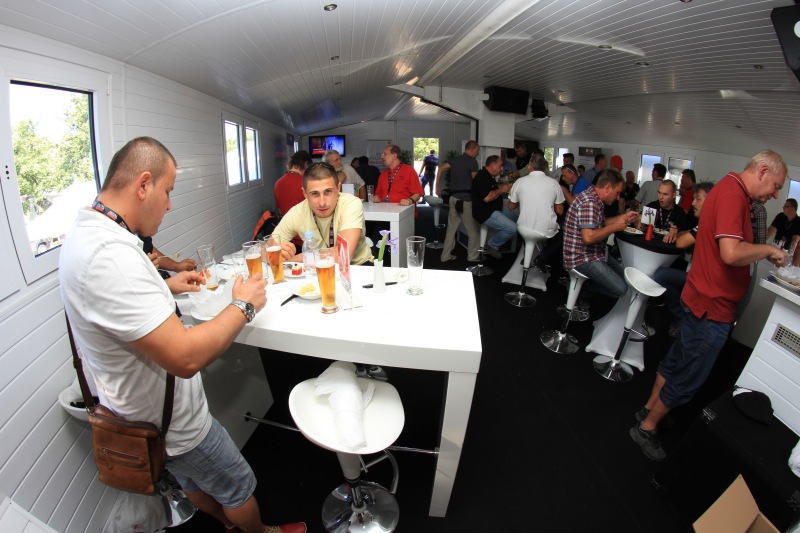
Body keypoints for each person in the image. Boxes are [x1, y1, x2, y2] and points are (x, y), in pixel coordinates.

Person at [59, 137, 305, 533]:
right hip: (174, 424)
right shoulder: (110, 255)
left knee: (191, 484)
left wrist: (164, 286)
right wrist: (243, 305)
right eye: (168, 191)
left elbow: (118, 308)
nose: (170, 204)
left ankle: (228, 526)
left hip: (142, 413)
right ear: (143, 184)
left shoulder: (90, 234)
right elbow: (185, 357)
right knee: (239, 486)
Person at [631, 150, 788, 462]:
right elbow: (731, 253)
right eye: (776, 186)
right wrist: (767, 251)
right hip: (711, 308)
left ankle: (649, 409)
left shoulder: (727, 189)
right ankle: (647, 428)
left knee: (677, 361)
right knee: (689, 375)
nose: (775, 194)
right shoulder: (733, 196)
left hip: (701, 299)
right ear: (762, 171)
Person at [274, 162, 371, 265]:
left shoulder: (351, 203)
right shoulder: (297, 212)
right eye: (314, 193)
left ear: (338, 188)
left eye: (328, 192)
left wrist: (297, 258)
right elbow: (266, 250)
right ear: (305, 193)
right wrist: (277, 252)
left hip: (358, 266)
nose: (322, 203)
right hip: (316, 267)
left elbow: (343, 255)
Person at [562, 169, 639, 299]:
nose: (618, 197)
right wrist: (615, 227)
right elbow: (588, 237)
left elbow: (602, 223)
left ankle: (583, 288)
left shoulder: (595, 199)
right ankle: (582, 289)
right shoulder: (589, 202)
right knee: (621, 289)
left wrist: (624, 217)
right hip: (581, 258)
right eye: (617, 193)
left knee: (626, 278)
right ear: (607, 187)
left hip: (596, 252)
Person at [655, 181, 715, 337]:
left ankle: (682, 317)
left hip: (703, 281)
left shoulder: (709, 223)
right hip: (697, 273)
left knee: (660, 275)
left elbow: (682, 243)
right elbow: (687, 234)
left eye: (697, 199)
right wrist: (678, 233)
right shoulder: (708, 221)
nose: (693, 203)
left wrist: (678, 235)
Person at [437, 140, 481, 262]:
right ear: (471, 149)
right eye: (477, 151)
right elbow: (476, 183)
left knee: (451, 230)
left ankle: (445, 256)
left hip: (453, 199)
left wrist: (436, 187)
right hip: (465, 200)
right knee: (474, 231)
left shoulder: (455, 160)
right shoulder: (472, 162)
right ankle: (473, 256)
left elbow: (440, 168)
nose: (478, 153)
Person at [529, 163, 577, 273]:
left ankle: (543, 256)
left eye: (564, 176)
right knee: (566, 232)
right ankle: (544, 258)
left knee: (563, 230)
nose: (563, 178)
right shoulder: (555, 187)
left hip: (528, 223)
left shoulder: (527, 186)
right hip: (541, 225)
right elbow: (560, 211)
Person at [470, 155, 517, 258]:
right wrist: (502, 189)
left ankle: (506, 242)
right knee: (512, 228)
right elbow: (487, 198)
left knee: (517, 217)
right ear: (492, 165)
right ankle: (492, 245)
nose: (502, 168)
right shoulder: (482, 177)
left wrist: (505, 186)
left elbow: (491, 187)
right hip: (485, 213)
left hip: (493, 209)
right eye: (500, 165)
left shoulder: (488, 176)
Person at [508, 153, 563, 240]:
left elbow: (511, 206)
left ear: (530, 166)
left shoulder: (519, 182)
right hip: (547, 230)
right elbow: (560, 211)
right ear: (544, 167)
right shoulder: (554, 183)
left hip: (524, 228)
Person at [274, 150, 312, 216]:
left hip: (285, 221)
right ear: (306, 164)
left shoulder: (278, 183)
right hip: (303, 221)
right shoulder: (305, 182)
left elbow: (280, 210)